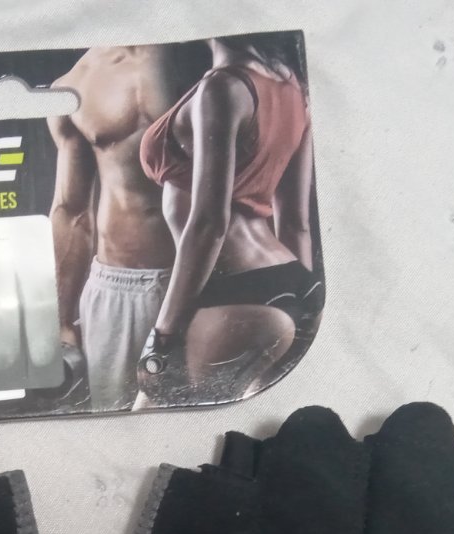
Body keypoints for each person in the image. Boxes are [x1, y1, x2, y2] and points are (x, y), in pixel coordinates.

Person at [135, 35, 320, 404]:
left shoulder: (222, 88)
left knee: (150, 418)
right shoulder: (295, 90)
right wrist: (304, 305)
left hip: (234, 289)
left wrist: (162, 336)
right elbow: (295, 222)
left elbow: (209, 222)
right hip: (294, 282)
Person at [47, 45, 186, 411]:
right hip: (118, 290)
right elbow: (71, 210)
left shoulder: (208, 58)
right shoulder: (76, 83)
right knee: (118, 426)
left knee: (211, 421)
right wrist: (62, 320)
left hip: (207, 284)